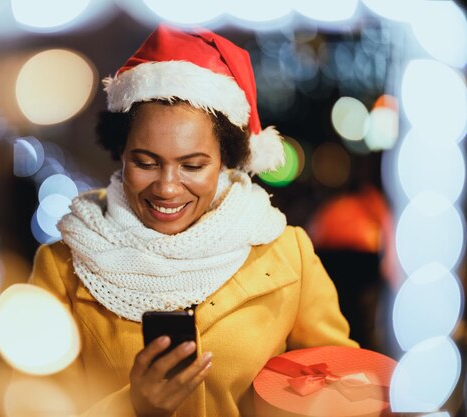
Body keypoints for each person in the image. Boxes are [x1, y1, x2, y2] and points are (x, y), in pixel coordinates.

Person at [29, 25, 357, 417]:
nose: (167, 188)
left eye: (193, 165)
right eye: (145, 162)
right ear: (120, 153)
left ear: (226, 162)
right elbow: (32, 403)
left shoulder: (288, 255)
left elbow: (340, 391)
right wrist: (131, 407)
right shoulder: (63, 267)